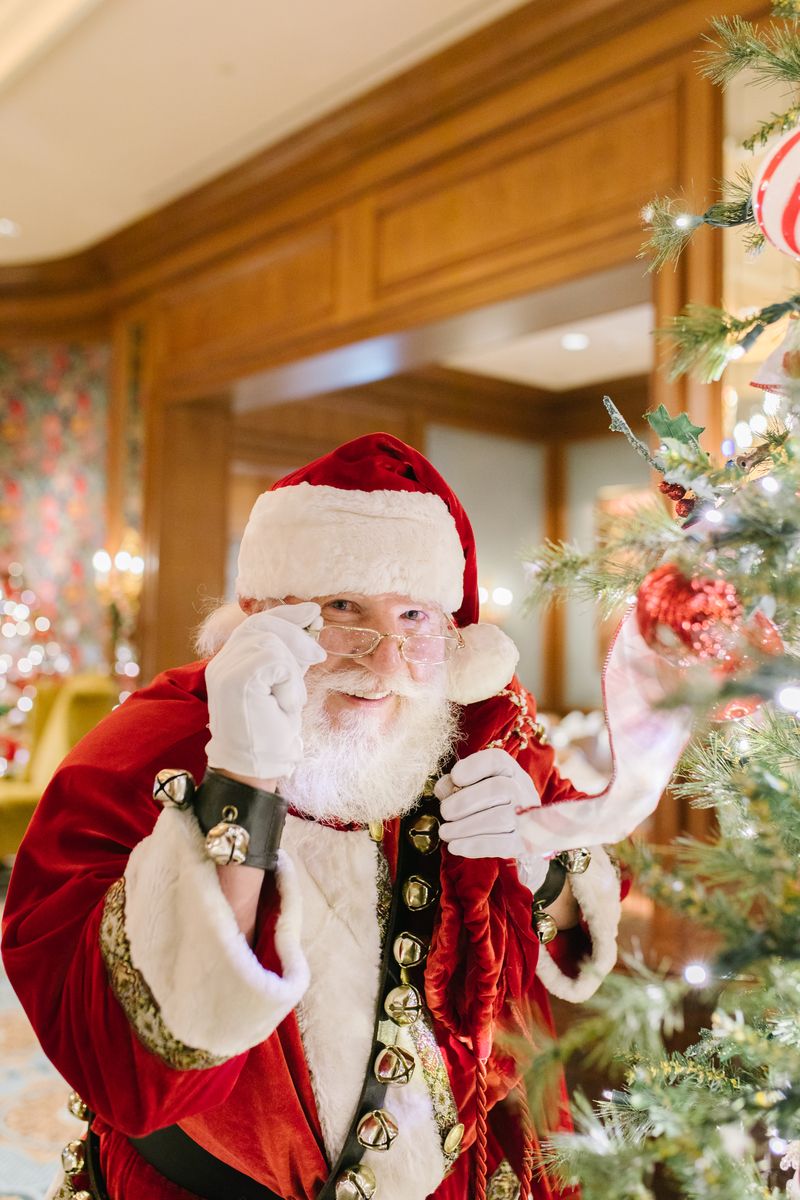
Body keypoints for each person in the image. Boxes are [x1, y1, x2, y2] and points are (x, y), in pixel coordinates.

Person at [1, 433, 691, 1200]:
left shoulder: (479, 732)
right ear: (265, 616)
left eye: (413, 615)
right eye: (342, 608)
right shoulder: (141, 754)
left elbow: (577, 926)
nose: (386, 663)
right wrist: (241, 781)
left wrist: (542, 857)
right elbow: (121, 1057)